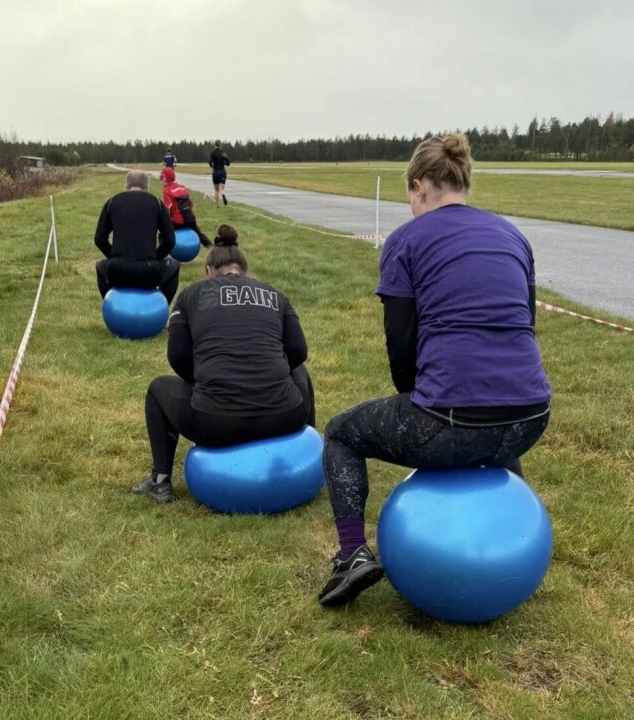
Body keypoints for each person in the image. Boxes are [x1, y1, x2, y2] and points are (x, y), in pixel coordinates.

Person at [317, 133, 552, 607]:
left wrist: (417, 401)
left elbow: (400, 343)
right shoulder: (512, 235)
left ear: (419, 186)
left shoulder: (406, 240)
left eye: (410, 195)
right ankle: (514, 544)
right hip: (530, 417)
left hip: (452, 418)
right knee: (491, 431)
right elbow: (525, 323)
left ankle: (351, 556)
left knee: (341, 434)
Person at [134, 224, 316, 503]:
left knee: (157, 389)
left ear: (209, 271)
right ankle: (310, 448)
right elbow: (298, 352)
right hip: (284, 417)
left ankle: (161, 480)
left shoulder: (191, 294)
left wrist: (204, 379)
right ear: (244, 270)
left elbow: (177, 356)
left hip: (215, 423)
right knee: (299, 370)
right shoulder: (274, 294)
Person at [94, 170, 180, 303]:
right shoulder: (157, 203)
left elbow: (99, 239)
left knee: (100, 265)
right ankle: (161, 304)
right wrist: (156, 257)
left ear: (126, 186)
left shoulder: (112, 202)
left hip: (118, 272)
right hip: (149, 272)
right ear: (147, 187)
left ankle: (112, 303)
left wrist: (113, 257)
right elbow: (170, 240)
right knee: (173, 265)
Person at [159, 167, 213, 249]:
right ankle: (212, 248)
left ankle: (162, 253)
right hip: (190, 218)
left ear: (164, 178)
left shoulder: (166, 190)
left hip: (177, 222)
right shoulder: (182, 187)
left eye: (161, 178)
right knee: (199, 235)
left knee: (162, 234)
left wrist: (166, 222)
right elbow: (190, 203)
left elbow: (167, 209)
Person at [208, 140, 230, 207]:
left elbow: (210, 162)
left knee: (216, 190)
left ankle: (217, 205)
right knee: (221, 188)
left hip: (215, 172)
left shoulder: (212, 153)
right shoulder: (223, 153)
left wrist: (212, 167)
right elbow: (228, 163)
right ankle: (223, 195)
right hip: (222, 172)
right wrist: (224, 163)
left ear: (215, 145)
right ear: (220, 145)